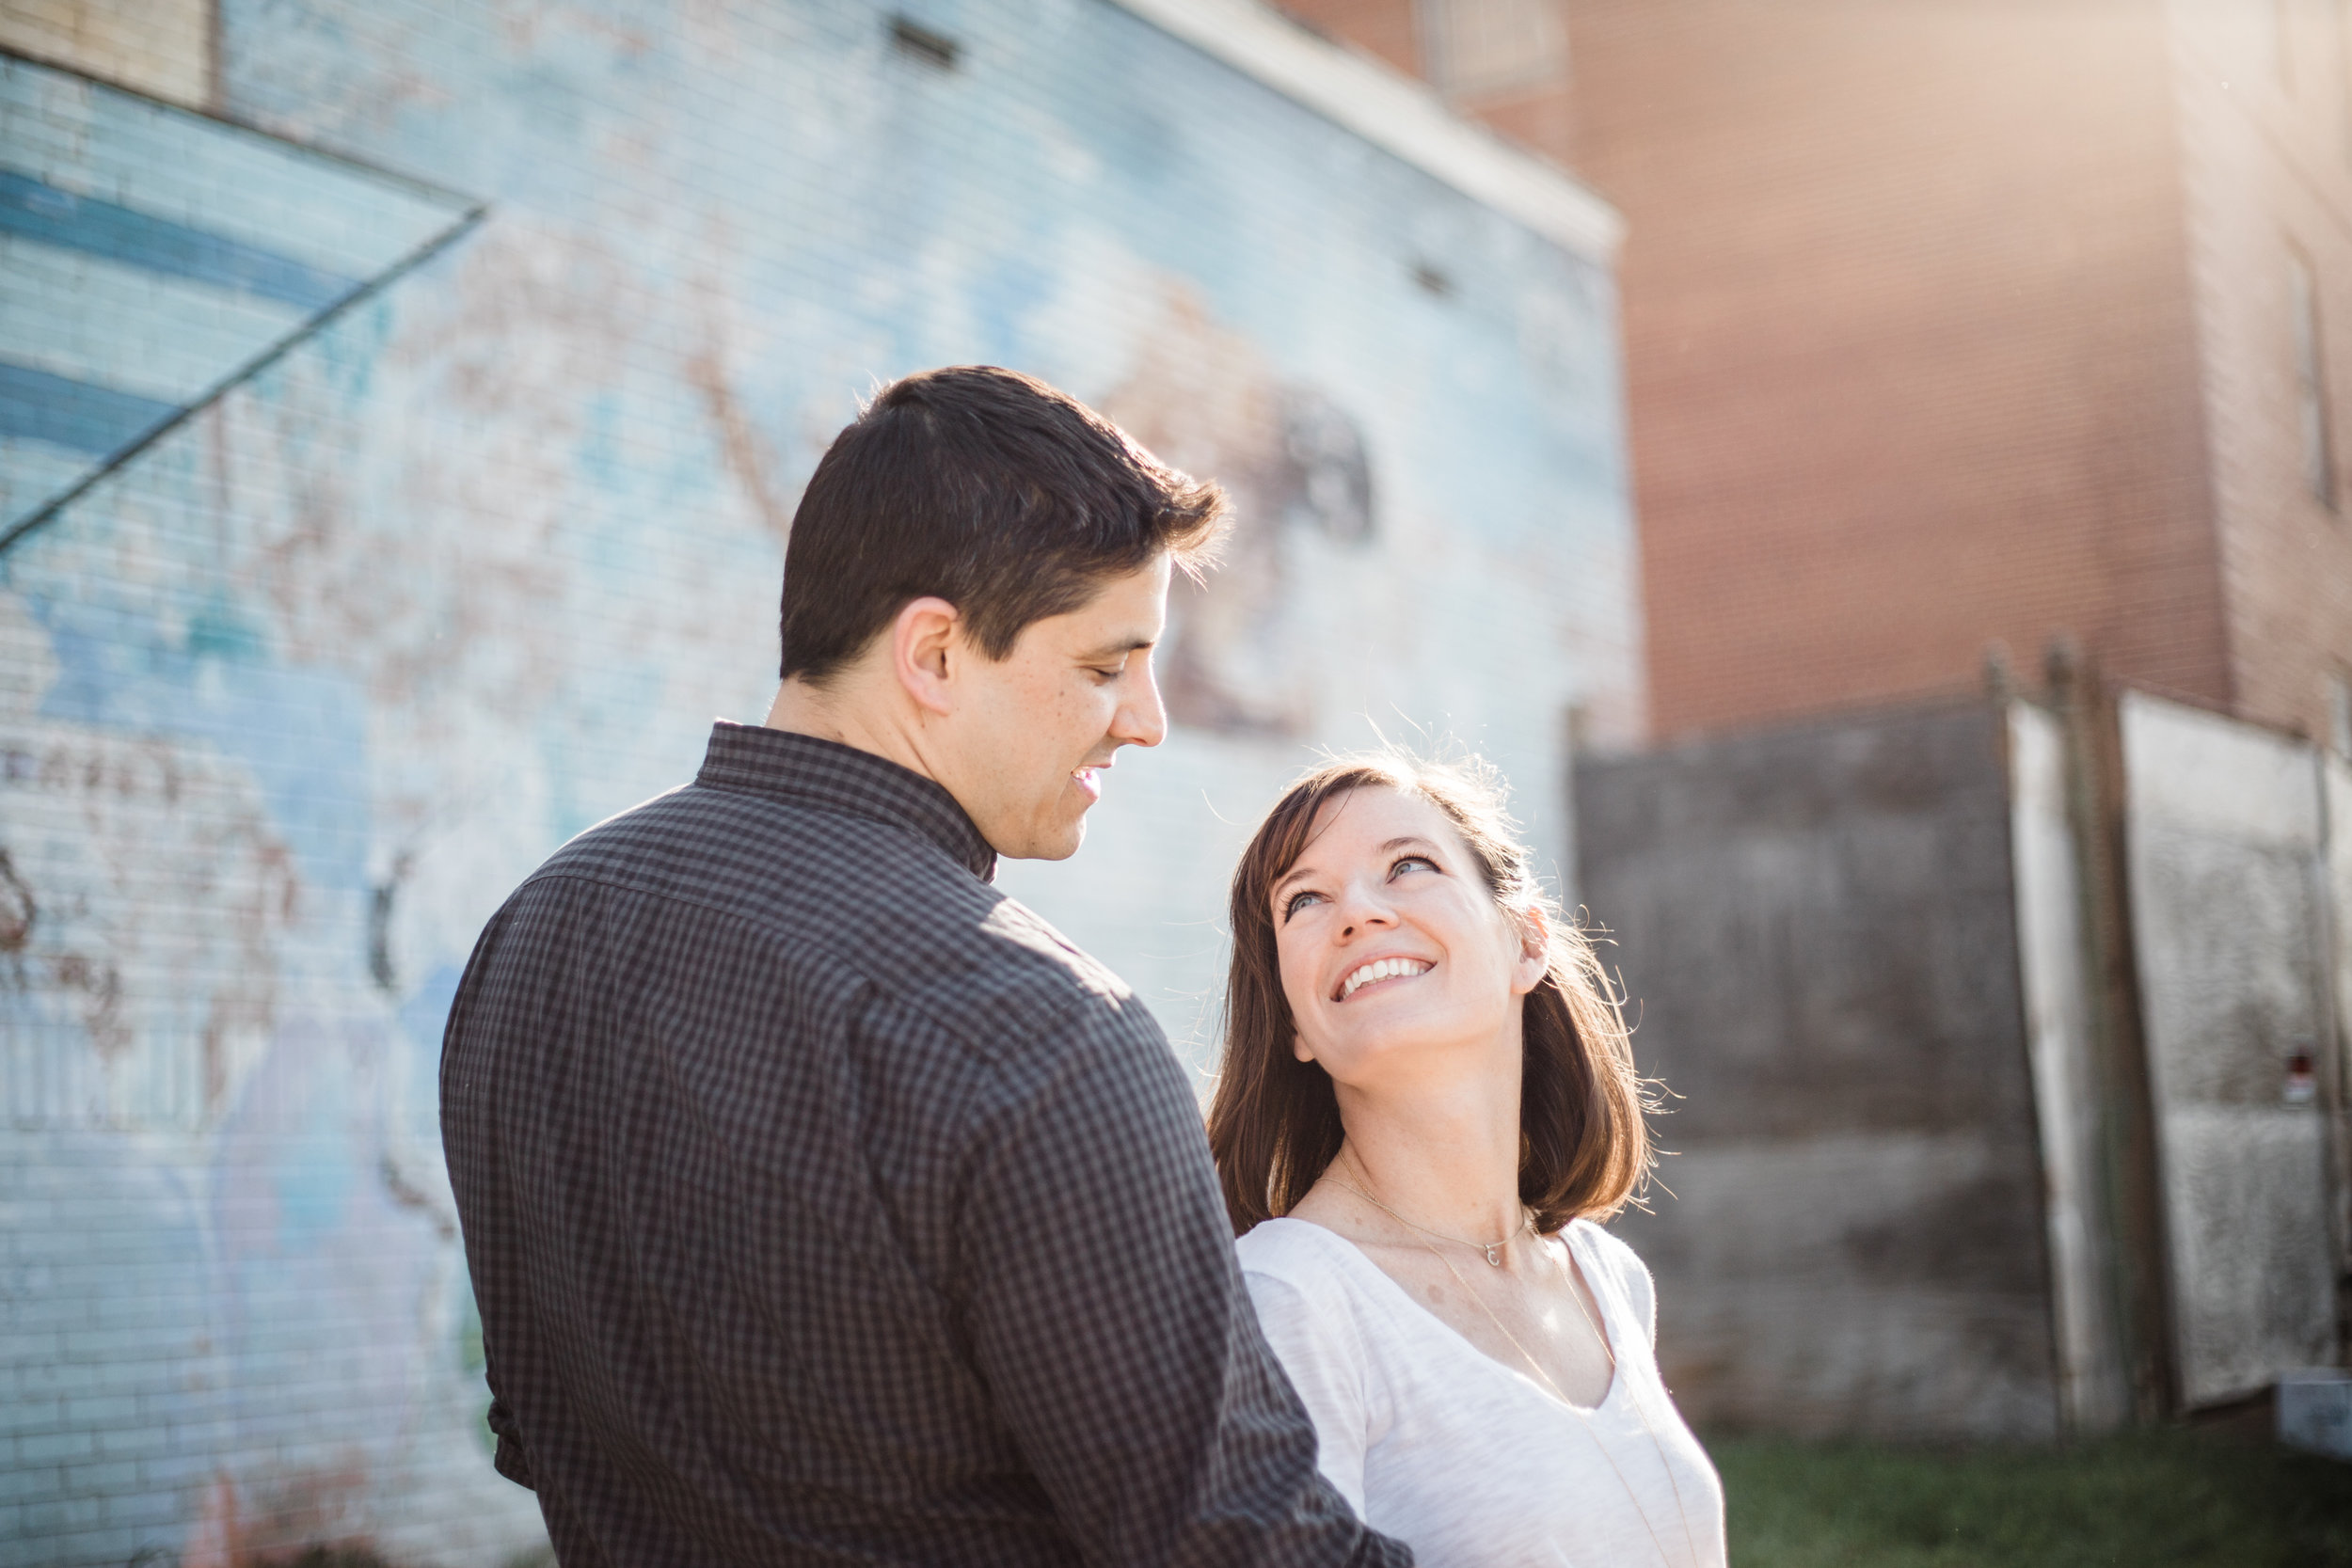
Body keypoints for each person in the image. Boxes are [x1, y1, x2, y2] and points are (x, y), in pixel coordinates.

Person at [441, 366, 1412, 1566]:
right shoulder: (1041, 1032)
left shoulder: (530, 935)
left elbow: (536, 1424)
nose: (1146, 718)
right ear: (935, 655)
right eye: (1106, 666)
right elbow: (1238, 1542)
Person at [1208, 752, 1727, 1567]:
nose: (1359, 913)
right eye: (1304, 898)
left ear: (1526, 941)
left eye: (1408, 865)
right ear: (1297, 1025)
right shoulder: (1287, 1300)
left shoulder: (1606, 1277)